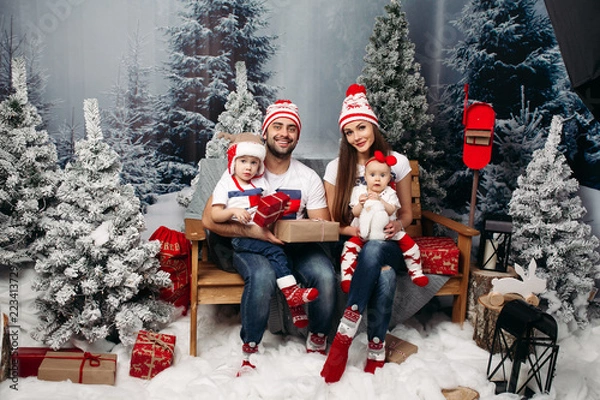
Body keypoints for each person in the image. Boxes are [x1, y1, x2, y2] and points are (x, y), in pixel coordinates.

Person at [202, 100, 337, 375]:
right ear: (265, 132)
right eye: (277, 126)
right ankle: (250, 349)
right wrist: (252, 231)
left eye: (291, 128)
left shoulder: (307, 177)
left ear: (297, 136)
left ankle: (318, 337)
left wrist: (303, 228)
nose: (284, 133)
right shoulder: (244, 169)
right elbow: (209, 219)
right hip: (253, 246)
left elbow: (323, 224)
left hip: (297, 247)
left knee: (324, 274)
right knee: (262, 276)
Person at [320, 83, 417, 383]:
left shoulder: (396, 162)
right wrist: (359, 229)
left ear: (373, 125)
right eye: (349, 132)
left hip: (389, 243)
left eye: (361, 127)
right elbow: (334, 222)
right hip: (354, 244)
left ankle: (344, 336)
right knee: (384, 274)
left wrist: (397, 225)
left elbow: (407, 215)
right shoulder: (337, 167)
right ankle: (376, 347)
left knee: (378, 252)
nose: (356, 136)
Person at [211, 133, 319, 328]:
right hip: (241, 238)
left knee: (279, 257)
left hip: (261, 232)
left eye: (253, 163)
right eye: (243, 161)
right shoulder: (226, 183)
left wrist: (279, 208)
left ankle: (294, 303)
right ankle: (292, 296)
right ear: (233, 162)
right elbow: (214, 216)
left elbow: (268, 204)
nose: (248, 167)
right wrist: (233, 211)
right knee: (276, 252)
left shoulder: (260, 183)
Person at [340, 149, 429, 292]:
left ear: (389, 179)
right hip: (363, 232)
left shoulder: (389, 193)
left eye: (382, 175)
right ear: (365, 176)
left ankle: (416, 273)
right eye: (372, 175)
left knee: (411, 246)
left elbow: (391, 210)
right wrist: (361, 204)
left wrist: (380, 200)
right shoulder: (359, 192)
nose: (377, 179)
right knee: (349, 248)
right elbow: (355, 213)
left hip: (387, 233)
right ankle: (347, 278)